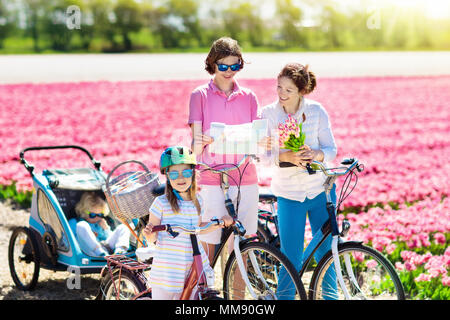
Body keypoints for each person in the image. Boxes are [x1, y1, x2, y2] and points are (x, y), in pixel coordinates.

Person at [260, 63, 338, 299]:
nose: (282, 94)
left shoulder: (316, 111)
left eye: (288, 90)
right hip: (289, 194)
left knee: (326, 252)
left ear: (302, 91)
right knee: (290, 255)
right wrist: (286, 156)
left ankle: (330, 296)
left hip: (320, 192)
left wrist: (314, 154)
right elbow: (262, 158)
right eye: (279, 88)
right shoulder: (268, 114)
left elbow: (331, 149)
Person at [187, 36, 260, 262]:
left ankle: (236, 295)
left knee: (241, 246)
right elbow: (194, 149)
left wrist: (263, 141)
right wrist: (205, 140)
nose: (229, 71)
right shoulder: (199, 95)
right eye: (223, 66)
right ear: (212, 64)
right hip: (212, 178)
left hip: (245, 177)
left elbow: (256, 139)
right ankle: (207, 294)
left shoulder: (249, 97)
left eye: (235, 66)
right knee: (210, 246)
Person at [143, 146, 233, 300]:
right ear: (167, 176)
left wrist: (220, 223)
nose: (180, 178)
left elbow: (197, 228)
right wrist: (150, 234)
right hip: (168, 267)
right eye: (174, 174)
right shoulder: (161, 203)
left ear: (193, 174)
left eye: (186, 172)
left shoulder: (197, 201)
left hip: (191, 263)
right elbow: (152, 237)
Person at [74, 192, 130, 256]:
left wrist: (106, 228)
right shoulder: (74, 222)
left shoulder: (100, 222)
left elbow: (109, 238)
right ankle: (102, 254)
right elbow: (67, 241)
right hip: (89, 250)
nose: (96, 218)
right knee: (81, 225)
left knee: (123, 227)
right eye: (93, 215)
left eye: (100, 214)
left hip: (105, 247)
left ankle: (120, 253)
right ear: (84, 211)